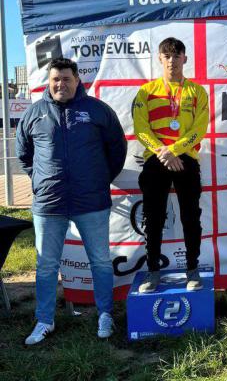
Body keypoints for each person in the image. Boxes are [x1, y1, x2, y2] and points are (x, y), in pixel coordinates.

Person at [16, 58, 126, 345]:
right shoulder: (34, 114)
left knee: (100, 261)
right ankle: (44, 320)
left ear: (77, 80)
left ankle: (105, 315)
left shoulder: (98, 111)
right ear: (48, 82)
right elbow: (24, 155)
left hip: (91, 200)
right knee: (46, 265)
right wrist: (42, 180)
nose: (60, 84)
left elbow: (117, 149)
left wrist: (99, 179)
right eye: (55, 79)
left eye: (66, 79)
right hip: (49, 204)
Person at [133, 37, 209, 293]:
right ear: (159, 59)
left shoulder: (197, 91)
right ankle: (152, 272)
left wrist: (173, 150)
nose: (172, 61)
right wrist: (162, 152)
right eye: (167, 56)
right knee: (153, 217)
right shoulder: (146, 91)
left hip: (185, 158)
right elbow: (141, 129)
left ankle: (192, 269)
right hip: (156, 159)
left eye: (177, 56)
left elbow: (200, 129)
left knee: (191, 217)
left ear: (185, 59)